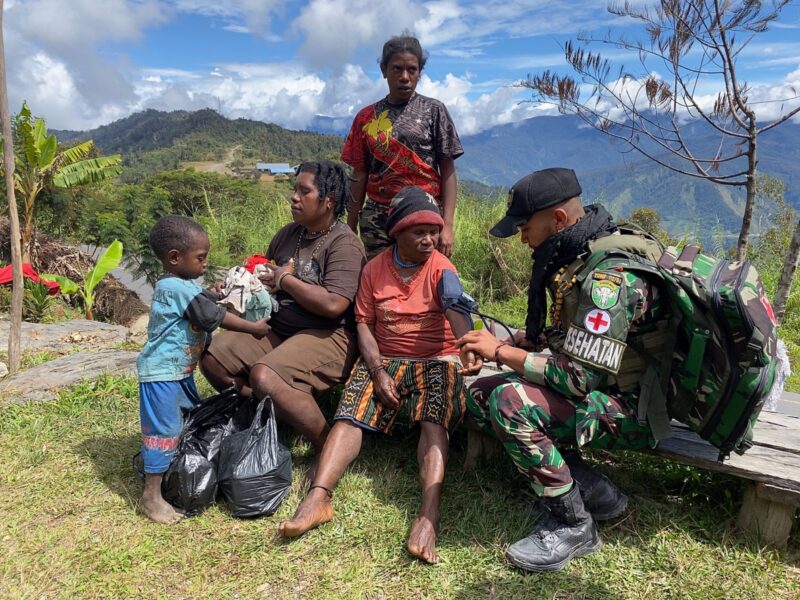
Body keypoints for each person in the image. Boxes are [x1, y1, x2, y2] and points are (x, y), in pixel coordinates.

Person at [456, 168, 670, 573]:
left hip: (638, 407)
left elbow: (577, 379)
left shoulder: (609, 280)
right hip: (611, 388)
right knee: (482, 393)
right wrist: (521, 341)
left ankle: (572, 524)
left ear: (557, 220)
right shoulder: (581, 252)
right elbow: (574, 342)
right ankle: (594, 489)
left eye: (524, 228)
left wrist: (501, 352)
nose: (522, 239)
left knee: (510, 401)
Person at [279, 186, 481, 564]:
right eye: (418, 232)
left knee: (433, 417)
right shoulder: (374, 270)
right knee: (350, 412)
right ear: (396, 234)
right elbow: (364, 325)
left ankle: (427, 515)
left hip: (437, 357)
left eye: (433, 231)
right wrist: (376, 370)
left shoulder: (442, 268)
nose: (428, 239)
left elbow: (456, 309)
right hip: (384, 357)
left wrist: (467, 344)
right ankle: (319, 496)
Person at [200, 161, 365, 477]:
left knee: (265, 376)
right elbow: (265, 279)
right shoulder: (289, 234)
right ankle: (268, 417)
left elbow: (334, 305)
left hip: (329, 335)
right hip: (279, 327)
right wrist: (240, 284)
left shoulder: (344, 244)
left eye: (304, 191)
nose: (294, 197)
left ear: (328, 200)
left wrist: (285, 280)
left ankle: (326, 444)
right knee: (213, 356)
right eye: (295, 190)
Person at [138, 215, 270, 524]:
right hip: (162, 376)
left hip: (179, 373)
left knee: (186, 423)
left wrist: (211, 292)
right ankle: (151, 496)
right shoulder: (176, 287)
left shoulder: (179, 285)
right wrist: (253, 328)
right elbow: (216, 317)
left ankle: (175, 476)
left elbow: (200, 302)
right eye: (201, 257)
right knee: (164, 432)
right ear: (174, 258)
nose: (206, 262)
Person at [342, 34, 463, 260]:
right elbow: (360, 172)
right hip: (378, 218)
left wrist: (447, 225)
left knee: (425, 284)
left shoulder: (434, 111)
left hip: (424, 217)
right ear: (384, 70)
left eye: (412, 69)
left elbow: (448, 170)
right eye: (397, 69)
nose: (405, 77)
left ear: (419, 73)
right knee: (379, 281)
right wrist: (350, 227)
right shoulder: (366, 117)